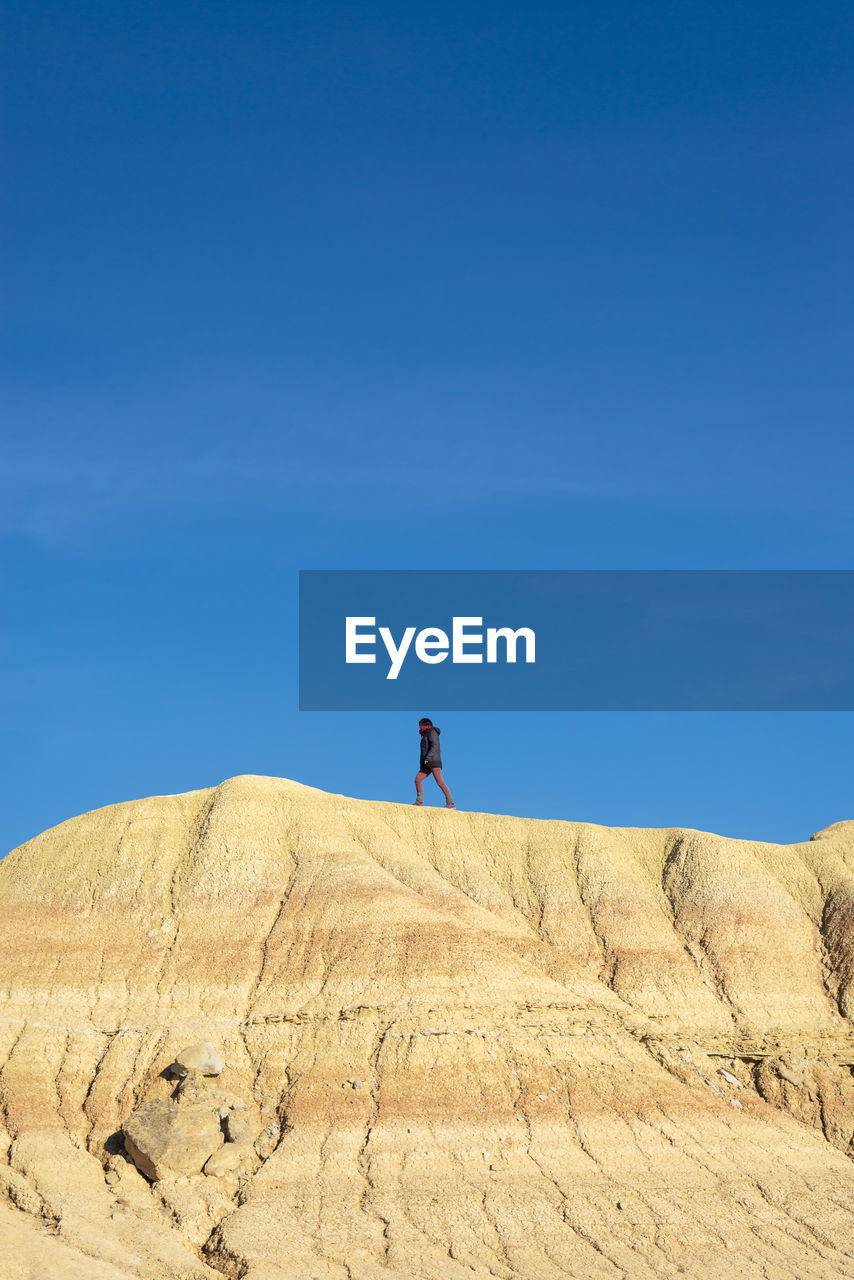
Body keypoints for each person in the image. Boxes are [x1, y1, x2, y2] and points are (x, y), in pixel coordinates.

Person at [413, 717, 455, 807]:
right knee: (417, 780)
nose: (419, 728)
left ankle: (450, 803)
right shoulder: (425, 734)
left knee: (440, 782)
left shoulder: (432, 732)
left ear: (425, 725)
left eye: (420, 726)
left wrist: (428, 757)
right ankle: (420, 801)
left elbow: (434, 745)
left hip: (433, 761)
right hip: (427, 763)